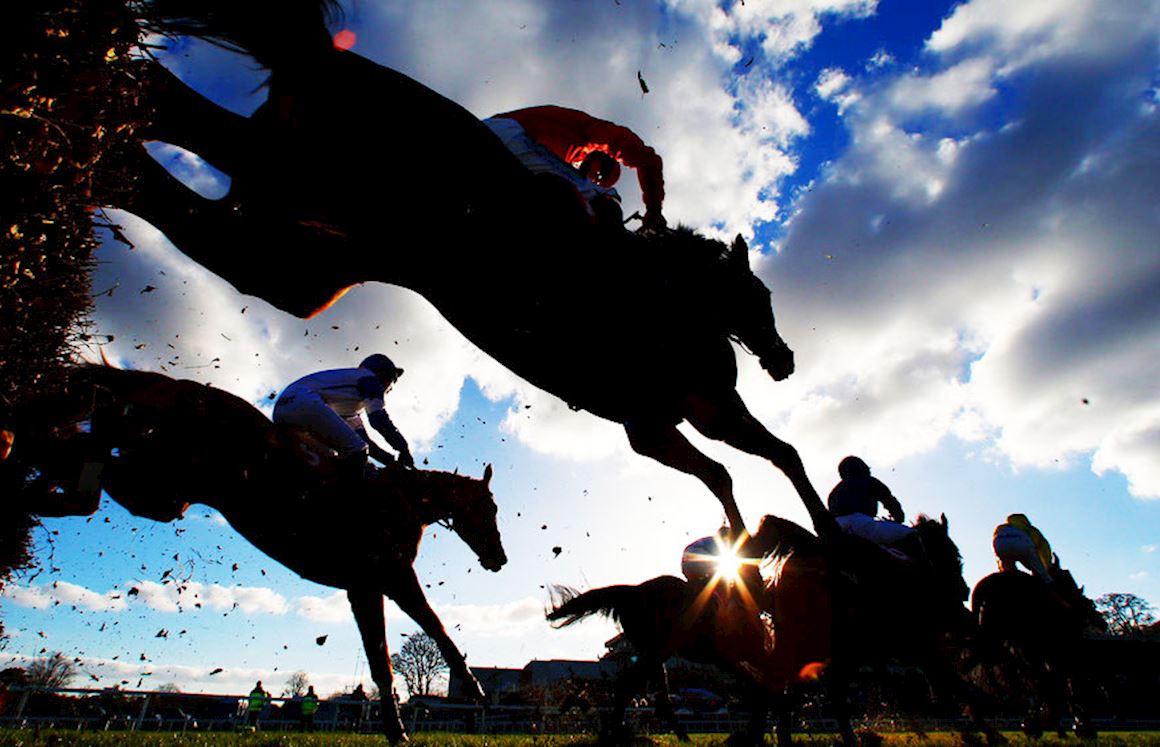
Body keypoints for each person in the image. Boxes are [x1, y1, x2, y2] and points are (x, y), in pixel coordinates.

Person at [483, 105, 667, 231]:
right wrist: (654, 209)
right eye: (601, 172)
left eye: (598, 179)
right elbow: (648, 160)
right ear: (604, 156)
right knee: (604, 198)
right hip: (510, 133)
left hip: (491, 135)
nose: (595, 177)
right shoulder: (592, 134)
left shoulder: (555, 158)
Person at [272, 354, 414, 482]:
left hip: (282, 409)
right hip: (305, 402)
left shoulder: (348, 400)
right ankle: (349, 502)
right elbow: (378, 420)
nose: (390, 389)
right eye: (392, 381)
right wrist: (403, 448)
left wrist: (391, 462)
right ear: (382, 374)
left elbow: (365, 442)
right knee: (357, 451)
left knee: (332, 455)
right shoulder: (370, 380)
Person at [827, 456, 922, 559]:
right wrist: (899, 518)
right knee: (911, 534)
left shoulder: (833, 493)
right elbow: (890, 502)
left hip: (836, 529)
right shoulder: (869, 481)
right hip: (861, 524)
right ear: (862, 468)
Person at [993, 513, 1052, 581]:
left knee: (1008, 570)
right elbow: (1044, 550)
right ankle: (1047, 582)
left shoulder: (1002, 526)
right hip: (1022, 546)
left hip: (1000, 545)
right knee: (1039, 571)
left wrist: (1000, 568)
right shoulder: (1031, 529)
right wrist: (1047, 566)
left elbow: (995, 541)